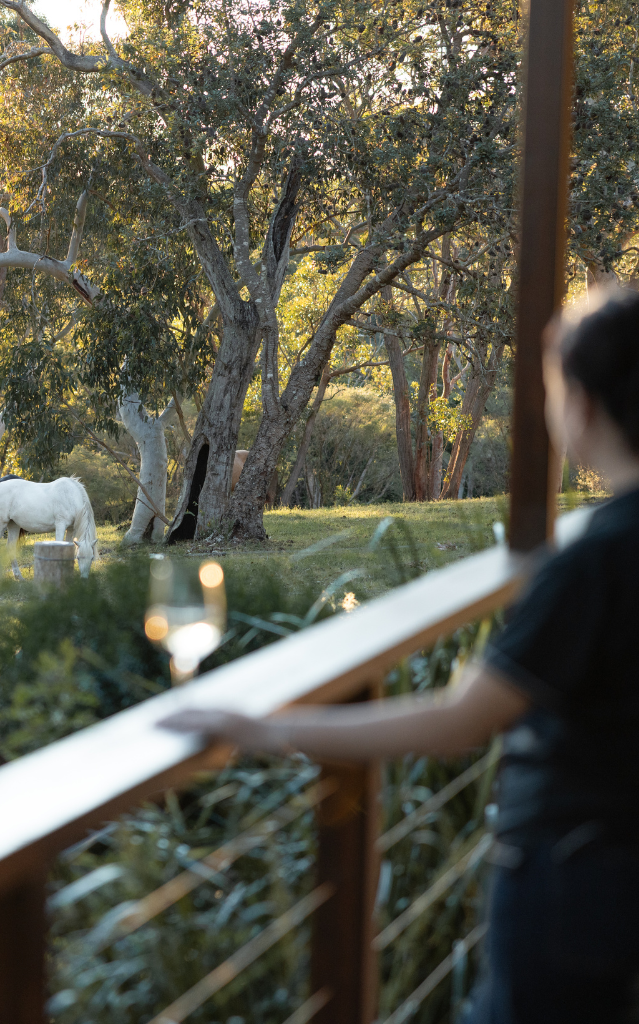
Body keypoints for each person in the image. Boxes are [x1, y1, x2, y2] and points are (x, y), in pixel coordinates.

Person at [159, 288, 639, 1023]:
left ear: (580, 406)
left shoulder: (596, 562)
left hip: (576, 887)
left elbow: (458, 722)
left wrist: (269, 728)